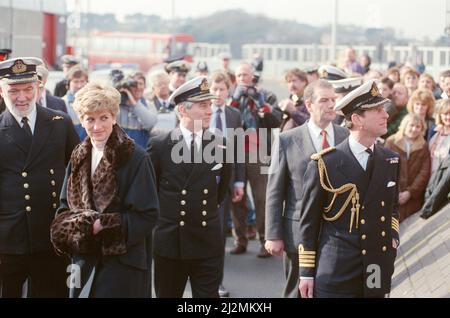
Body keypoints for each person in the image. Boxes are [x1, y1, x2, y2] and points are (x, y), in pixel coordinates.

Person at [50, 82, 159, 298]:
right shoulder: (78, 155)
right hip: (83, 261)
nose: (97, 126)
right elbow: (64, 208)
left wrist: (102, 225)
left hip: (123, 263)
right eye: (90, 119)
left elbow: (147, 215)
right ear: (81, 120)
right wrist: (76, 228)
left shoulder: (135, 157)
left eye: (104, 118)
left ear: (114, 117)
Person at [298, 80, 400, 298]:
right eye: (377, 110)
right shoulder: (325, 164)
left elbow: (392, 208)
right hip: (337, 269)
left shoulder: (390, 160)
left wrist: (392, 236)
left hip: (376, 266)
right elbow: (309, 222)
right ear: (356, 119)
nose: (386, 115)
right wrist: (306, 272)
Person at [0, 57, 79, 297]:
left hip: (52, 234)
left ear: (38, 87)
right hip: (9, 238)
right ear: (1, 90)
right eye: (14, 90)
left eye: (28, 89)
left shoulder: (59, 122)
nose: (22, 97)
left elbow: (77, 173)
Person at [149, 76, 232, 298]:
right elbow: (152, 191)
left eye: (210, 105)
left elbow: (220, 192)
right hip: (171, 242)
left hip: (207, 239)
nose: (209, 111)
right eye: (203, 106)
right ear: (182, 111)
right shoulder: (160, 144)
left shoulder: (221, 146)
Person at [265, 80, 349, 298]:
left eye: (333, 100)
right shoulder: (286, 140)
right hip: (298, 234)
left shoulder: (346, 137)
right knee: (297, 292)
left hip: (337, 234)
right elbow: (275, 191)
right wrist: (273, 234)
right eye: (324, 100)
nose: (331, 105)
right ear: (309, 105)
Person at [209, 71, 245, 297]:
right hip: (201, 182)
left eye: (222, 89)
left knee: (220, 233)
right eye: (214, 89)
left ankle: (217, 282)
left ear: (229, 90)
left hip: (224, 183)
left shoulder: (234, 115)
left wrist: (239, 181)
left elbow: (238, 150)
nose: (218, 94)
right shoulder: (198, 113)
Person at [385, 114, 431, 222]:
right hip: (392, 196)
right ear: (405, 125)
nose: (414, 129)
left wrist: (410, 192)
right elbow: (385, 170)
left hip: (413, 199)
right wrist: (396, 192)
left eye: (418, 126)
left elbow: (424, 172)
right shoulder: (391, 142)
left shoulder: (424, 146)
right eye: (411, 125)